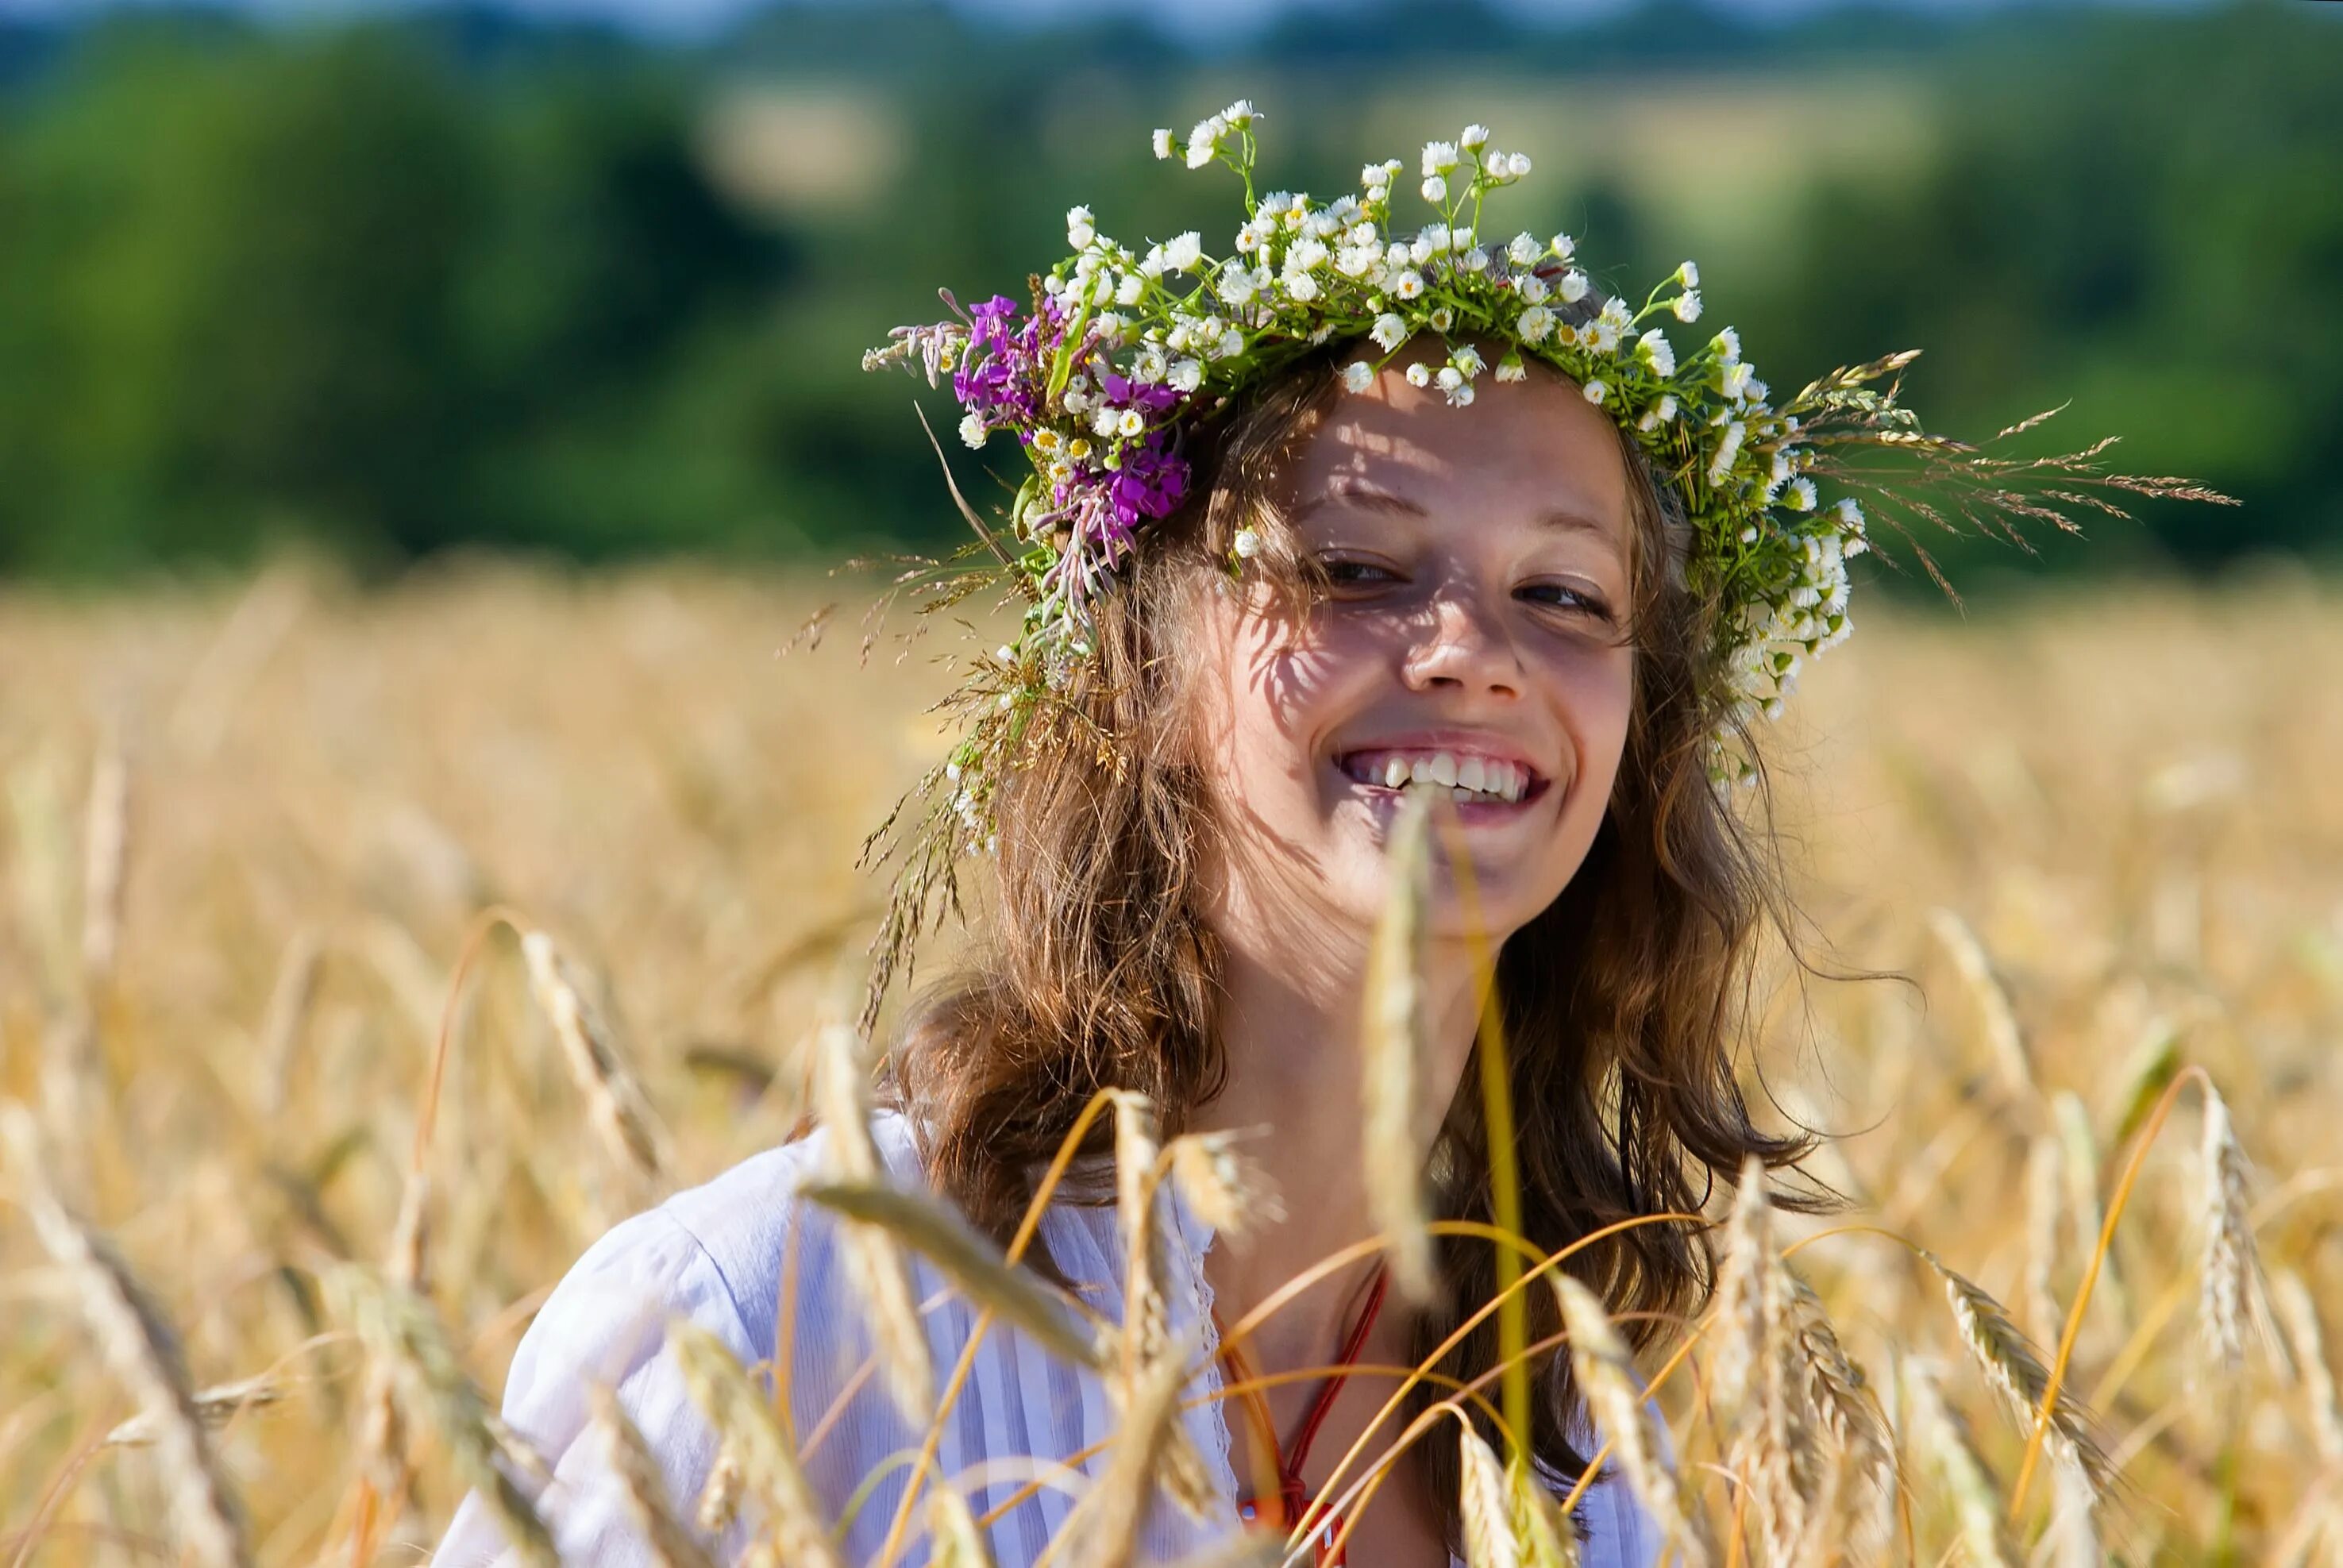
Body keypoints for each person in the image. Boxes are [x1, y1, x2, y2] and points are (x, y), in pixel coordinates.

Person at [433, 101, 2210, 1568]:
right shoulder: (776, 1321)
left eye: (1566, 595)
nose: (1469, 651)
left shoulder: (1584, 1460)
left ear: (1638, 730)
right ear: (1145, 668)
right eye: (1356, 572)